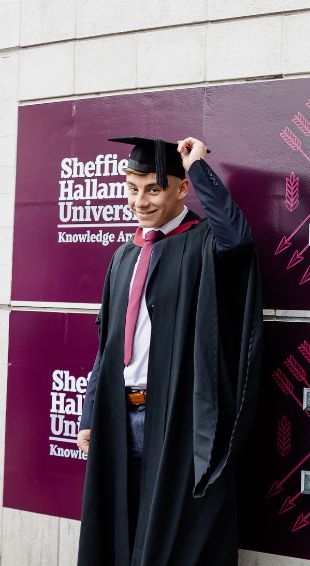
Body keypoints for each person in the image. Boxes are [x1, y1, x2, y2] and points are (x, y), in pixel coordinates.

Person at [76, 136, 263, 565]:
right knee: (119, 534)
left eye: (153, 188)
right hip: (118, 418)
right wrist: (90, 414)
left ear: (180, 189)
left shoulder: (200, 246)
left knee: (168, 544)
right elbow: (107, 346)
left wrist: (197, 167)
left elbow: (237, 240)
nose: (140, 201)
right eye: (132, 188)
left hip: (176, 420)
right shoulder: (124, 257)